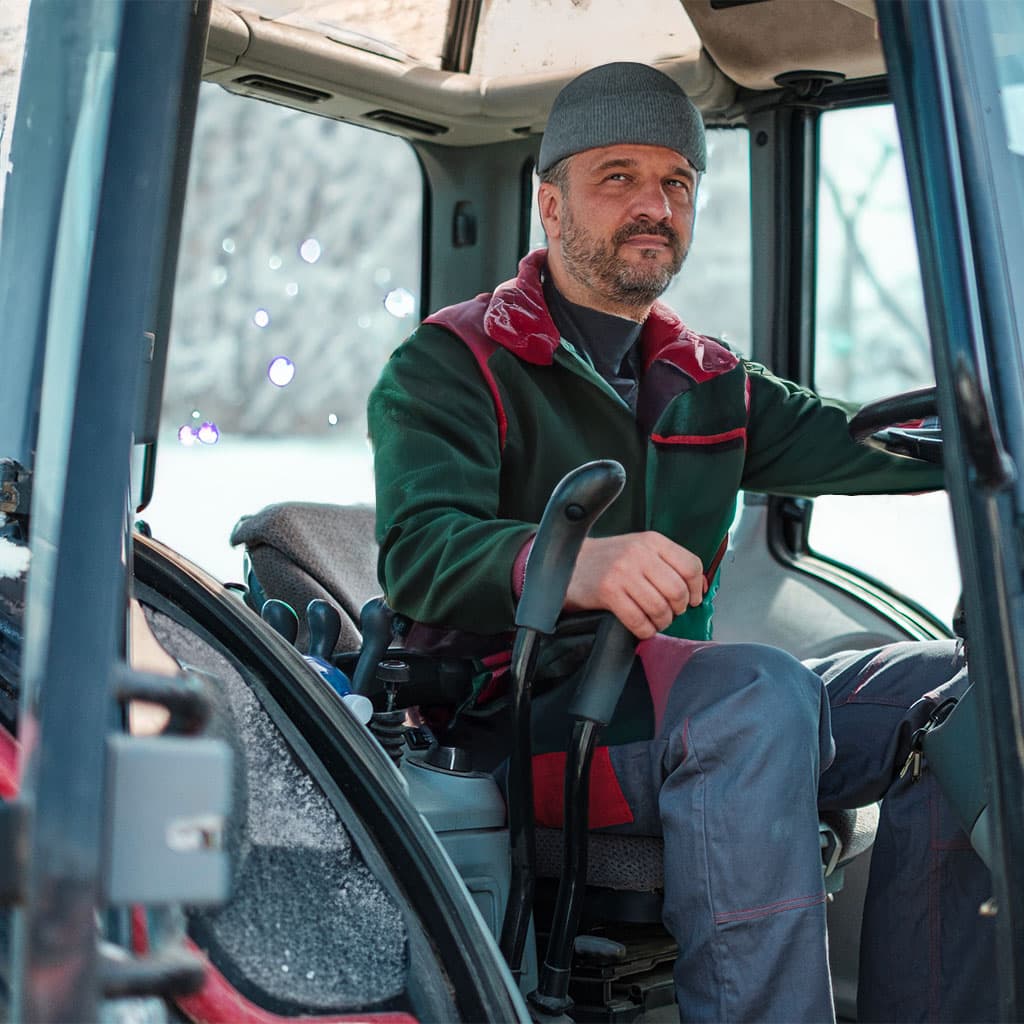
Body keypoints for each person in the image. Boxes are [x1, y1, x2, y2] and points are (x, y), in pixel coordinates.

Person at [368, 62, 994, 1022]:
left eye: (677, 182)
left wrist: (999, 425)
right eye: (617, 176)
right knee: (759, 691)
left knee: (970, 693)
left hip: (681, 707)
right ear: (550, 201)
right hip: (524, 723)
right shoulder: (454, 363)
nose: (653, 204)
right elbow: (420, 548)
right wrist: (571, 563)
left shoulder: (708, 379)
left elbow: (871, 442)